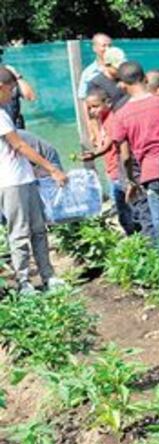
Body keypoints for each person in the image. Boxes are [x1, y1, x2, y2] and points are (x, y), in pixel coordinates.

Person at [0, 68, 68, 294]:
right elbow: (19, 145)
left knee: (38, 229)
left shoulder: (3, 112)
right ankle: (24, 282)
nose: (12, 95)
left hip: (24, 178)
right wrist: (51, 169)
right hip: (10, 182)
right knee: (19, 232)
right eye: (11, 90)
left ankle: (48, 276)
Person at [110, 60, 159, 246]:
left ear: (123, 85)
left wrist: (130, 181)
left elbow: (126, 157)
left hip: (151, 175)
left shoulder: (121, 115)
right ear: (144, 78)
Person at [80, 89, 142, 236]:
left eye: (95, 106)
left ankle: (139, 238)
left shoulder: (112, 120)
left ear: (107, 103)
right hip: (112, 172)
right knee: (124, 212)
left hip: (118, 171)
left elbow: (110, 143)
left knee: (130, 212)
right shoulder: (103, 119)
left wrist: (95, 154)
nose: (92, 111)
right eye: (89, 108)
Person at [87, 46, 128, 113]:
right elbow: (93, 109)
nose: (121, 69)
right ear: (107, 65)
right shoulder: (95, 83)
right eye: (118, 68)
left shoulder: (126, 78)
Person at [76, 34, 112, 100]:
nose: (108, 49)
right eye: (103, 46)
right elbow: (83, 97)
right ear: (94, 48)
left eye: (110, 46)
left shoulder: (120, 68)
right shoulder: (88, 73)